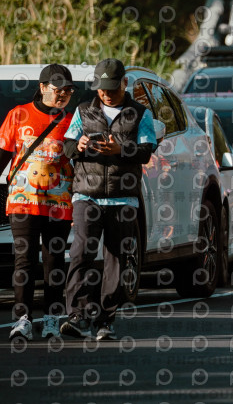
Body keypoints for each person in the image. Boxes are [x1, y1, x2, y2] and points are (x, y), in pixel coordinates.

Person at [61, 58, 157, 340]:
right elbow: (67, 146)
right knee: (80, 253)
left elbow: (146, 152)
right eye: (102, 89)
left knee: (116, 258)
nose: (106, 94)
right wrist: (78, 145)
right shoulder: (83, 110)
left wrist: (120, 149)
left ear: (124, 84)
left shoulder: (140, 114)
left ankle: (106, 320)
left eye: (112, 89)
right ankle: (77, 316)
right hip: (86, 195)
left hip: (123, 199)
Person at [0, 65, 76, 340]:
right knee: (25, 260)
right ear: (42, 87)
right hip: (23, 201)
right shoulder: (18, 115)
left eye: (68, 90)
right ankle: (22, 319)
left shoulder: (72, 121)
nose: (62, 95)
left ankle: (52, 319)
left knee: (54, 262)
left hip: (59, 203)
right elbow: (3, 153)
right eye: (57, 89)